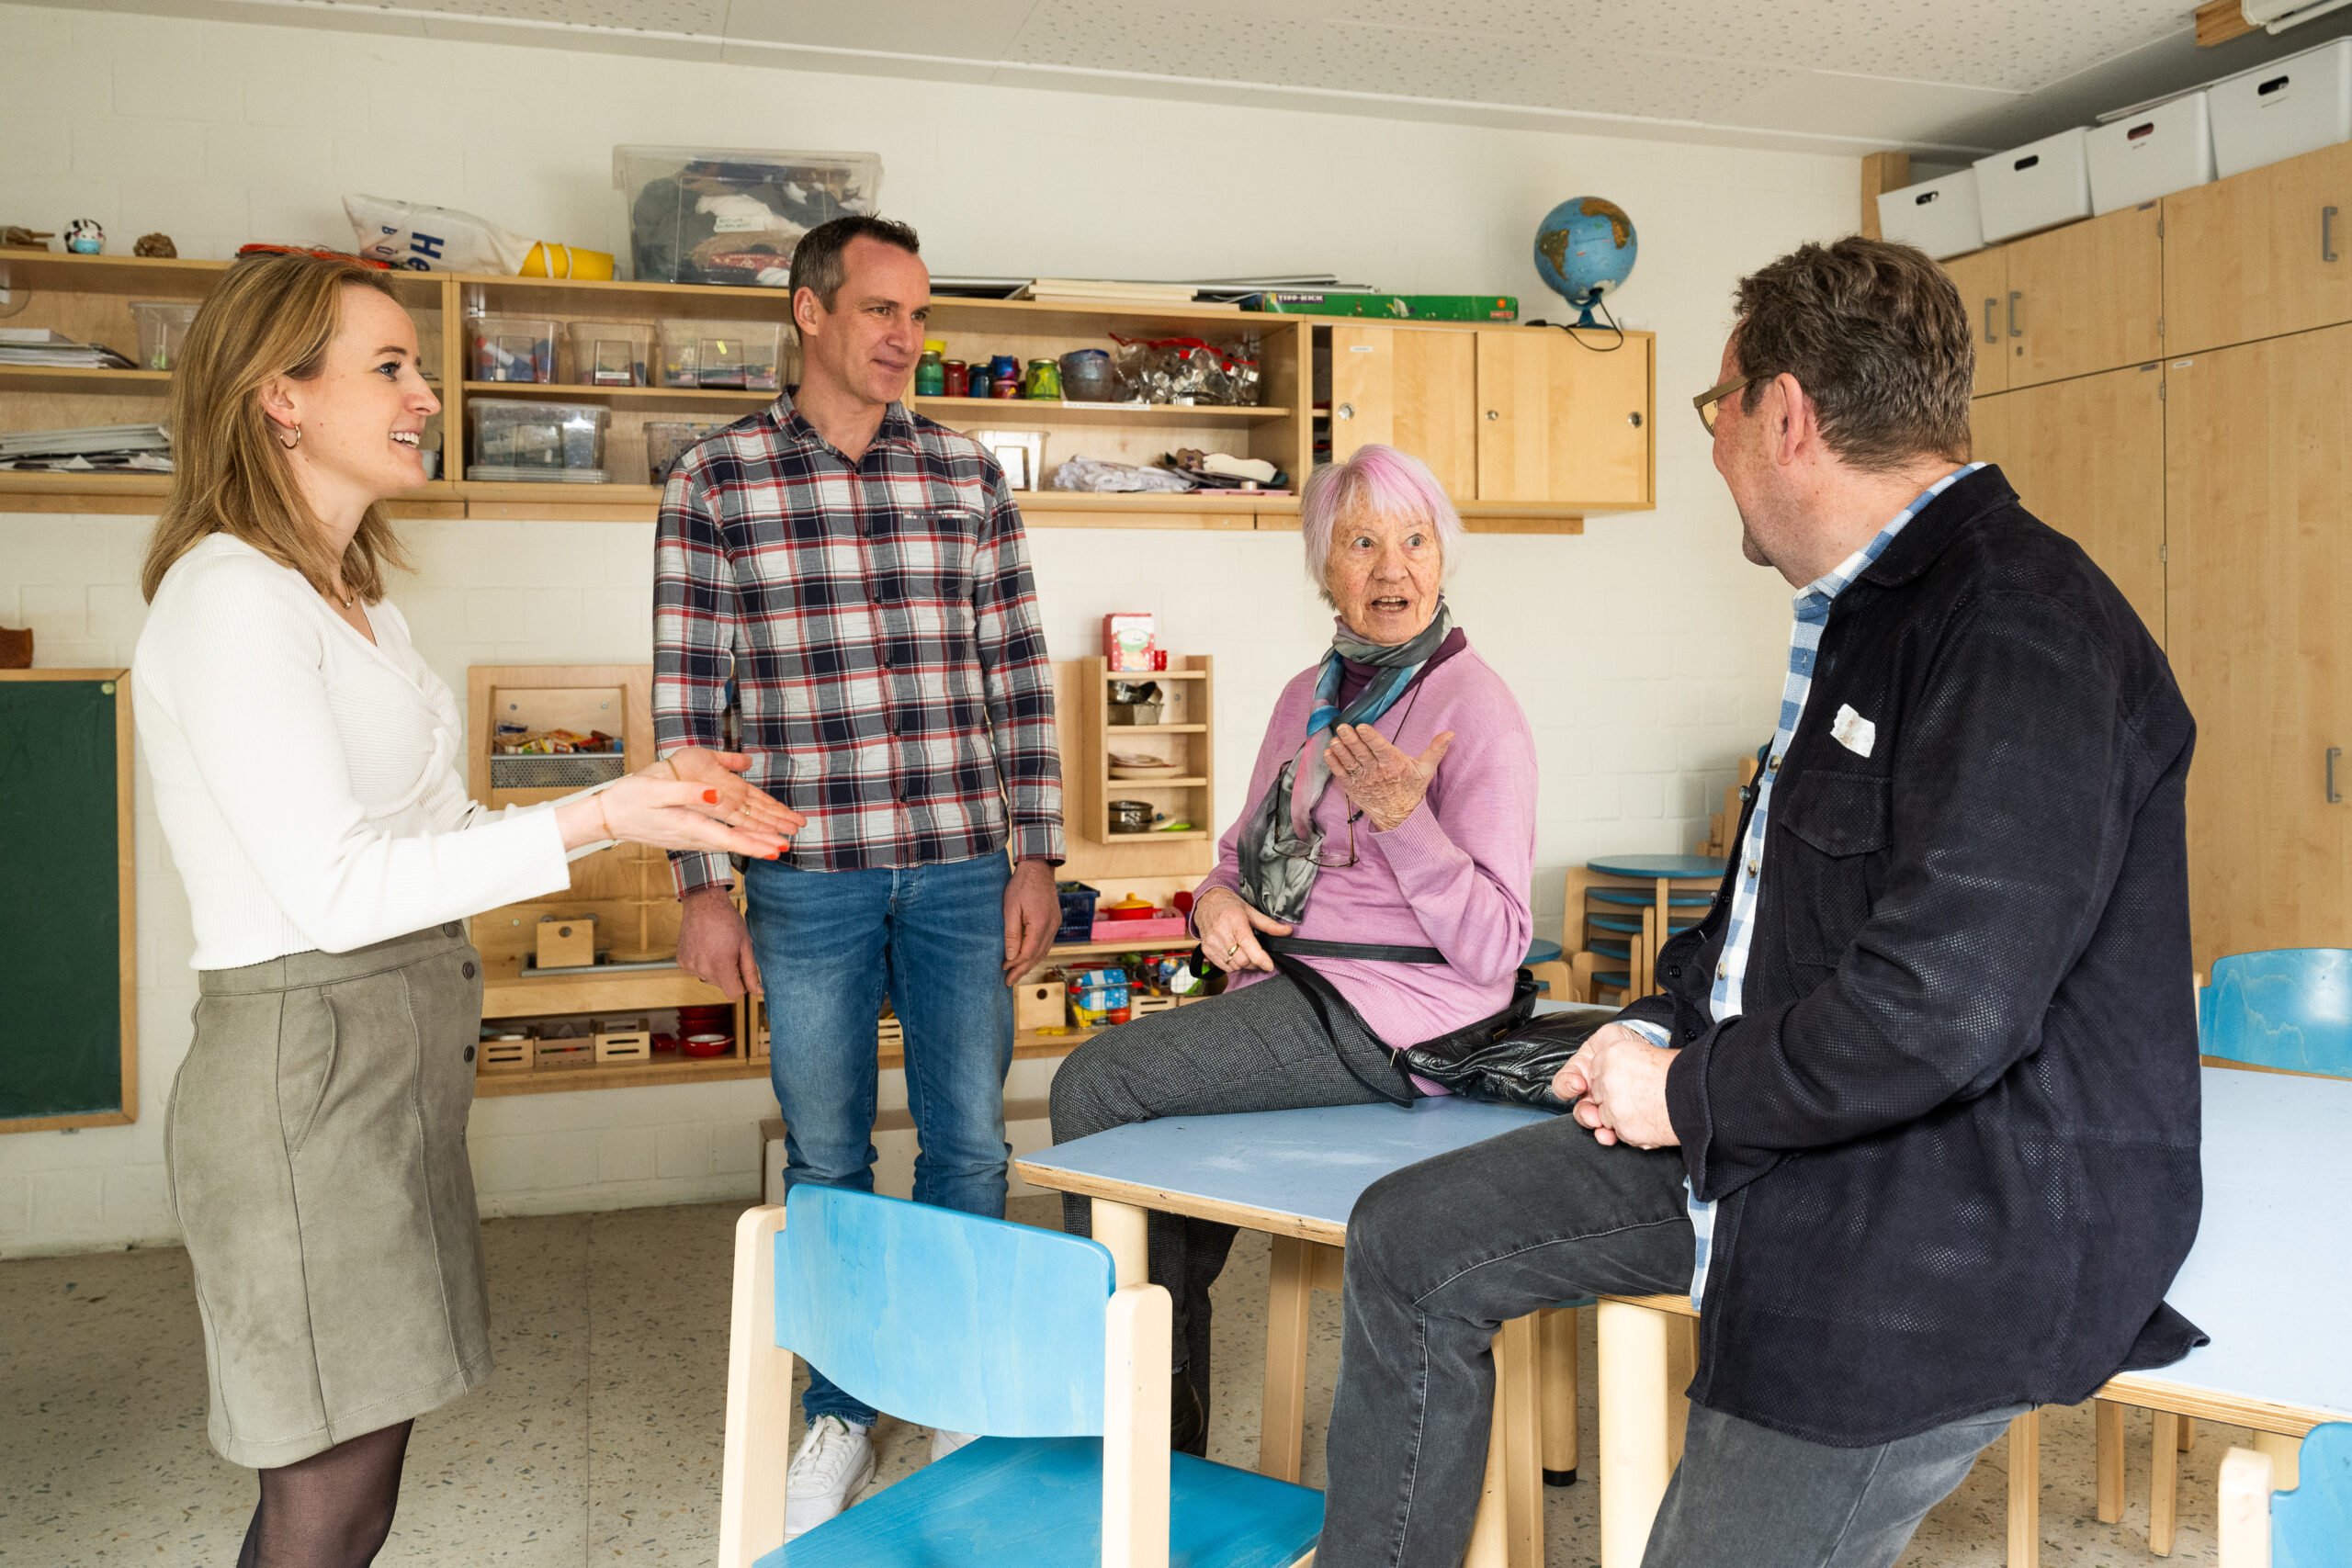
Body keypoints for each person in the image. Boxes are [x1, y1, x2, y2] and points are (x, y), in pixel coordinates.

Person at [1317, 237, 2204, 1568]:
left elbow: (1941, 1009)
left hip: (1938, 1211)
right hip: (1790, 1124)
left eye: (1714, 408)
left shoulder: (2016, 626)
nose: (1715, 445)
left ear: (1782, 414)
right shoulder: (1863, 612)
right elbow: (1769, 911)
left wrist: (1685, 1092)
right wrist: (1651, 1032)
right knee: (1410, 1236)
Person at [132, 252, 798, 1568]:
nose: (427, 395)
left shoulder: (352, 599)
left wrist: (637, 795)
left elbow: (437, 838)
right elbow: (334, 889)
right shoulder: (229, 598)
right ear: (279, 397)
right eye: (389, 367)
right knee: (326, 1502)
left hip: (387, 1052)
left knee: (357, 1485)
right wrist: (603, 817)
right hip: (304, 1071)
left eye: (419, 368)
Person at [654, 214, 1065, 1536]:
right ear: (810, 310)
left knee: (971, 1145)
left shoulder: (966, 472)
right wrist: (700, 883)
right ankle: (841, 1403)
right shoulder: (715, 478)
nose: (907, 336)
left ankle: (954, 1386)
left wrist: (1038, 853)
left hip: (961, 864)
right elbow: (690, 702)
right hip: (808, 875)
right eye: (883, 309)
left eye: (921, 314)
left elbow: (1019, 674)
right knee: (827, 1157)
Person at [1050, 443, 1537, 1454]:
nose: (1392, 569)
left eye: (1414, 541)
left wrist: (1405, 820)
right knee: (1154, 1145)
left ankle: (1137, 1423)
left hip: (1403, 1012)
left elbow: (1496, 946)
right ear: (1325, 565)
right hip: (1292, 985)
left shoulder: (1475, 706)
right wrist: (1213, 906)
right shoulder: (1304, 699)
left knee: (1097, 1086)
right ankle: (1147, 1412)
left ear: (1443, 556)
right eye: (1361, 544)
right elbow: (1234, 859)